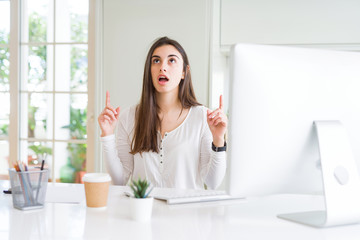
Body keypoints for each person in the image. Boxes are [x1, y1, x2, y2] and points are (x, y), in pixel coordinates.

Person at [98, 37, 227, 190]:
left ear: (184, 72)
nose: (163, 67)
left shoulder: (203, 117)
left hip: (186, 213)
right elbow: (119, 181)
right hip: (143, 212)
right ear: (149, 70)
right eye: (156, 61)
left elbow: (212, 182)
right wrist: (107, 135)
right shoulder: (129, 117)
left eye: (172, 60)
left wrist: (218, 139)